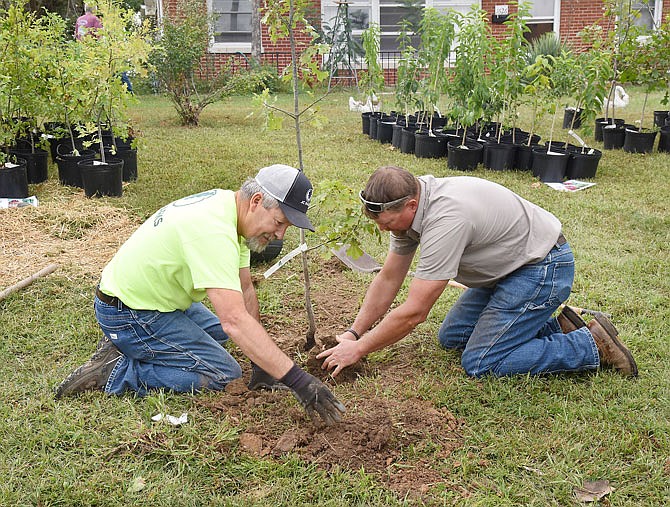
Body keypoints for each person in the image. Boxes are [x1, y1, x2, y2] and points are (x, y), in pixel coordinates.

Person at [55, 164, 346, 426]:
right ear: (257, 201)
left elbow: (245, 289)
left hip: (154, 299)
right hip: (128, 311)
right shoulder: (213, 231)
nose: (281, 235)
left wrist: (262, 366)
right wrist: (299, 381)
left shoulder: (232, 210)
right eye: (280, 222)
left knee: (224, 334)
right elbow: (234, 319)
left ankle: (130, 345)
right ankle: (119, 371)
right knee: (224, 374)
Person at [318, 166, 637, 379]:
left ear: (411, 205)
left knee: (482, 361)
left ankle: (589, 345)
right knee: (452, 337)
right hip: (507, 270)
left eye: (387, 223)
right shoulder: (411, 211)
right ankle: (560, 327)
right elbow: (389, 277)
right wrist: (354, 333)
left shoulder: (446, 220)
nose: (384, 228)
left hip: (542, 269)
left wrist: (358, 350)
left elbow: (415, 311)